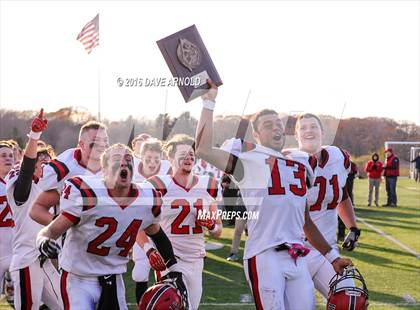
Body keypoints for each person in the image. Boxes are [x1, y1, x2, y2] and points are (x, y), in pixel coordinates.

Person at [195, 81, 352, 309]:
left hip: (297, 256)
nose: (276, 128)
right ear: (257, 135)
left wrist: (332, 258)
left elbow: (305, 220)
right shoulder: (248, 161)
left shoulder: (301, 163)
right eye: (268, 125)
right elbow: (203, 149)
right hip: (264, 255)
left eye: (278, 123)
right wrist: (209, 101)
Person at [36, 144, 188, 310]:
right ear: (105, 169)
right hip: (78, 279)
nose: (123, 163)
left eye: (128, 159)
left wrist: (174, 271)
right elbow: (51, 230)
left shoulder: (146, 199)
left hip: (114, 278)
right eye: (117, 159)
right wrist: (43, 241)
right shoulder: (88, 193)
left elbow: (157, 235)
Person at [143, 134, 222, 310]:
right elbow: (139, 222)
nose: (188, 158)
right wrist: (148, 250)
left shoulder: (208, 184)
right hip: (170, 259)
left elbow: (218, 230)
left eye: (191, 155)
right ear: (170, 158)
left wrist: (211, 225)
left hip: (196, 259)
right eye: (183, 154)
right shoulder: (158, 184)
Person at [294, 113, 361, 299]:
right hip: (294, 253)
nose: (309, 130)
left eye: (314, 126)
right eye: (304, 127)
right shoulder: (289, 162)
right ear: (296, 135)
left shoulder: (338, 156)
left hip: (328, 251)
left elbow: (342, 195)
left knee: (351, 301)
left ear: (322, 132)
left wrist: (353, 227)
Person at [5, 109, 63, 309]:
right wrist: (35, 137)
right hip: (28, 259)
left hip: (44, 260)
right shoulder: (25, 187)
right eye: (41, 161)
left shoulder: (52, 189)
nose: (47, 165)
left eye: (49, 161)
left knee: (69, 305)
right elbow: (26, 168)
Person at [30, 121, 109, 225]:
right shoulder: (66, 168)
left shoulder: (114, 166)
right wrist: (61, 227)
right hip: (76, 239)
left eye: (105, 140)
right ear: (81, 144)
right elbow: (36, 210)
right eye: (96, 140)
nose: (102, 145)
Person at [131, 138, 171, 303]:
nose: (152, 163)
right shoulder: (131, 171)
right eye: (148, 159)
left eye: (156, 159)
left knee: (167, 271)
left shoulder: (168, 169)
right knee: (140, 271)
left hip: (164, 226)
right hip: (139, 226)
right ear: (140, 157)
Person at [0, 141, 15, 305]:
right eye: (3, 155)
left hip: (16, 249)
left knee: (22, 299)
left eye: (10, 155)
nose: (8, 158)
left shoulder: (20, 182)